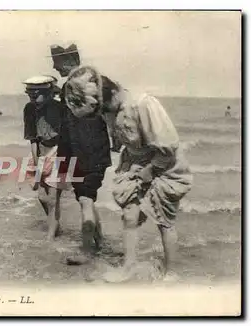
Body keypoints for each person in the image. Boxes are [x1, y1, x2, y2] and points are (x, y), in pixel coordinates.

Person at [75, 68, 193, 282]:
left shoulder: (143, 104)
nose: (101, 114)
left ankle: (171, 272)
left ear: (109, 95)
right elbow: (120, 139)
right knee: (129, 215)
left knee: (164, 221)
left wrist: (150, 170)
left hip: (164, 164)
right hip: (135, 162)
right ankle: (129, 266)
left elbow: (168, 146)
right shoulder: (109, 110)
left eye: (100, 109)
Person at [49, 44, 113, 261]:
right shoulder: (98, 81)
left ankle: (86, 250)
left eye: (56, 63)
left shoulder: (70, 89)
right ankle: (98, 242)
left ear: (67, 62)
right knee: (89, 199)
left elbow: (68, 130)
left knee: (85, 199)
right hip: (99, 152)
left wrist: (63, 162)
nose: (54, 68)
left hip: (81, 154)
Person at [22, 75, 68, 241]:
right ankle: (55, 226)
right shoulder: (29, 109)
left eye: (37, 95)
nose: (33, 98)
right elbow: (33, 138)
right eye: (30, 95)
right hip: (40, 150)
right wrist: (36, 164)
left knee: (53, 198)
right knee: (42, 196)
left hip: (59, 150)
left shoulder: (61, 108)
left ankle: (50, 237)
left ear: (49, 94)